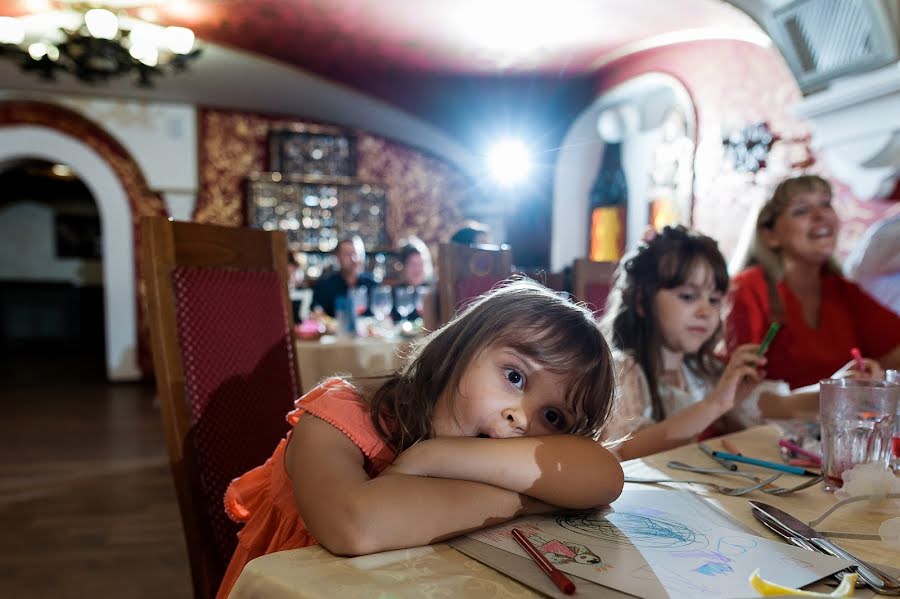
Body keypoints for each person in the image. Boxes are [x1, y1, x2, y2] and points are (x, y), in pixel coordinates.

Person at [216, 278, 624, 598]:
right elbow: (355, 526)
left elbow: (606, 476)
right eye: (514, 376)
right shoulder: (339, 416)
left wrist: (434, 456)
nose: (520, 418)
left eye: (552, 416)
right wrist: (531, 500)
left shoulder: (483, 449)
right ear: (458, 348)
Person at [597, 226, 874, 461]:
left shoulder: (700, 370)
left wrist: (838, 388)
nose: (706, 311)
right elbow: (627, 451)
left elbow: (772, 405)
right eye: (688, 296)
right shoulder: (623, 371)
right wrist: (716, 404)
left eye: (714, 299)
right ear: (641, 301)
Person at [726, 175, 900, 389]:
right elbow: (737, 392)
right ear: (770, 235)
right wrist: (834, 391)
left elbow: (893, 353)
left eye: (826, 204)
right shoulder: (749, 288)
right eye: (801, 210)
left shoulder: (843, 291)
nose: (820, 216)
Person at [311, 235, 376, 317]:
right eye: (348, 254)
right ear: (338, 257)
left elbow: (389, 316)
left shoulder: (373, 285)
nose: (354, 259)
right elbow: (316, 313)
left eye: (357, 254)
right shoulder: (325, 286)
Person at [391, 236, 433, 321]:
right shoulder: (396, 293)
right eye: (413, 264)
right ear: (403, 266)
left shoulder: (433, 292)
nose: (417, 269)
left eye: (421, 264)